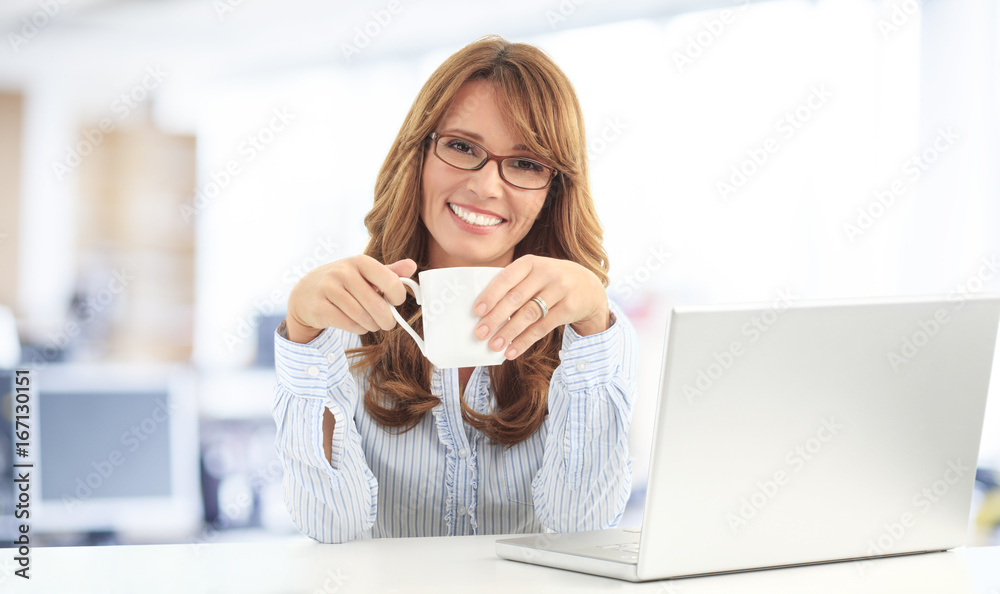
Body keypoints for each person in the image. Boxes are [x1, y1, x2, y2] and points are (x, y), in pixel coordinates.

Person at [272, 35, 637, 543]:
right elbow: (334, 529)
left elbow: (581, 527)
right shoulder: (342, 323)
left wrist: (593, 326)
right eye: (463, 147)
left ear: (553, 190)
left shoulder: (591, 336)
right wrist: (305, 336)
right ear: (418, 154)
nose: (487, 187)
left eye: (527, 163)